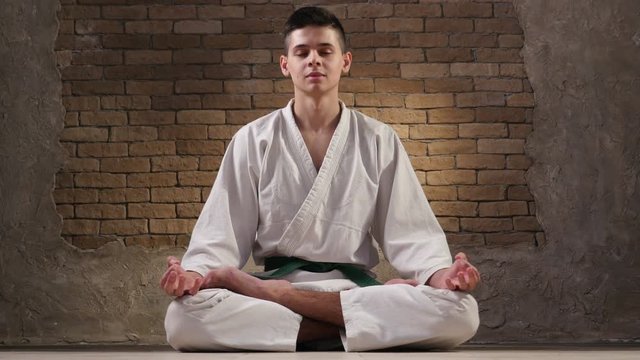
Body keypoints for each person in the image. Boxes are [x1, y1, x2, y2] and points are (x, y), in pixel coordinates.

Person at [161, 6, 480, 352]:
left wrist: (440, 274)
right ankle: (351, 329)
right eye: (302, 52)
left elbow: (412, 233)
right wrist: (193, 274)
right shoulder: (253, 140)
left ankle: (297, 317)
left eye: (325, 51)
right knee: (182, 320)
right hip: (279, 288)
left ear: (345, 61)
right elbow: (219, 235)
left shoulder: (377, 139)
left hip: (349, 289)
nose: (314, 60)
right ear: (286, 65)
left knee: (461, 312)